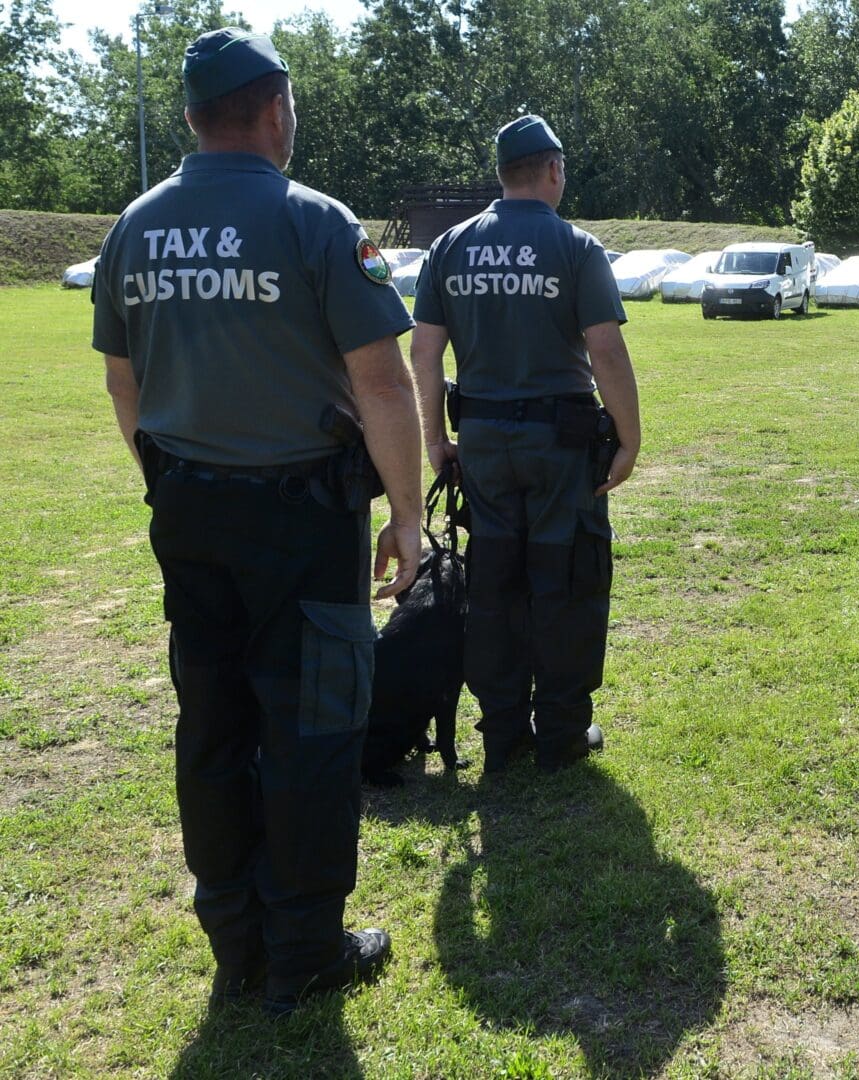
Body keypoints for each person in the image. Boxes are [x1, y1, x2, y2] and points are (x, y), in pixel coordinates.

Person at [92, 28, 422, 1015]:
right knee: (313, 722)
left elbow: (124, 381)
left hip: (189, 511)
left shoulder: (134, 227)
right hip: (304, 519)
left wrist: (168, 474)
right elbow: (384, 386)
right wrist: (406, 517)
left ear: (194, 118)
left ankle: (236, 938)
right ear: (276, 108)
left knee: (216, 721)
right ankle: (307, 946)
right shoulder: (315, 221)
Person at [410, 115, 640, 774]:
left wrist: (435, 440)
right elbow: (605, 349)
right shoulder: (576, 246)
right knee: (565, 581)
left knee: (494, 584)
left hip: (480, 443)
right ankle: (564, 732)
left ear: (502, 174)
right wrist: (629, 436)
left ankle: (503, 732)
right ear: (554, 170)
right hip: (560, 446)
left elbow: (424, 353)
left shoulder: (450, 246)